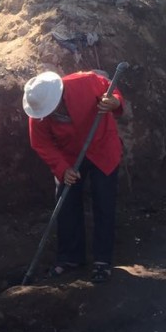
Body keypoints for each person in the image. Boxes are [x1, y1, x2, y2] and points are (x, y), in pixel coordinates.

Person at [23, 69, 124, 284]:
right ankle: (70, 257)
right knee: (66, 204)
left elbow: (111, 89)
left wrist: (114, 102)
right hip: (69, 156)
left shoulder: (85, 82)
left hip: (101, 146)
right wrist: (62, 169)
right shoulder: (38, 109)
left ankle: (102, 261)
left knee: (103, 202)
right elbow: (41, 143)